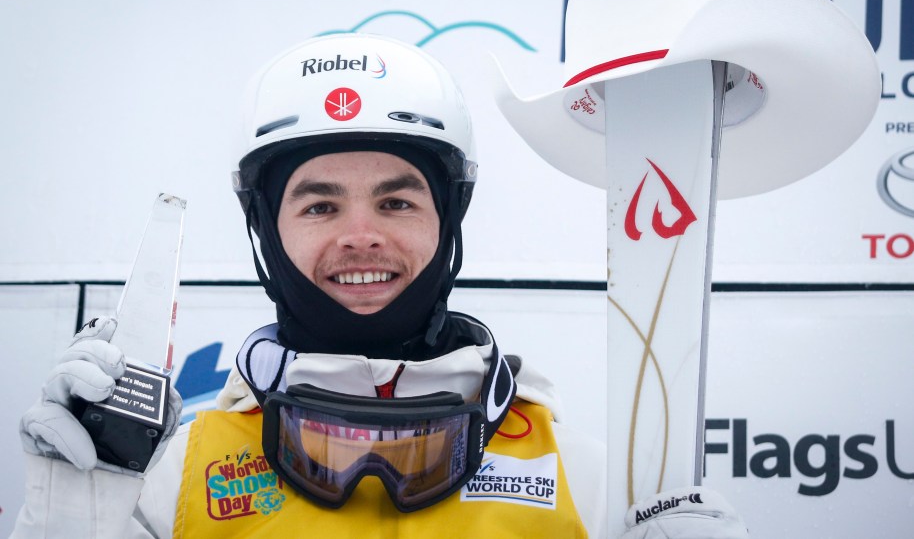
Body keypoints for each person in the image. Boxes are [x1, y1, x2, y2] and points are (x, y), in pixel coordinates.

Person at [14, 33, 749, 538]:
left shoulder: (578, 472)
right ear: (266, 228)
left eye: (397, 201)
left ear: (448, 220)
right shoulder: (172, 474)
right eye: (320, 204)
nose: (361, 234)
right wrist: (70, 515)